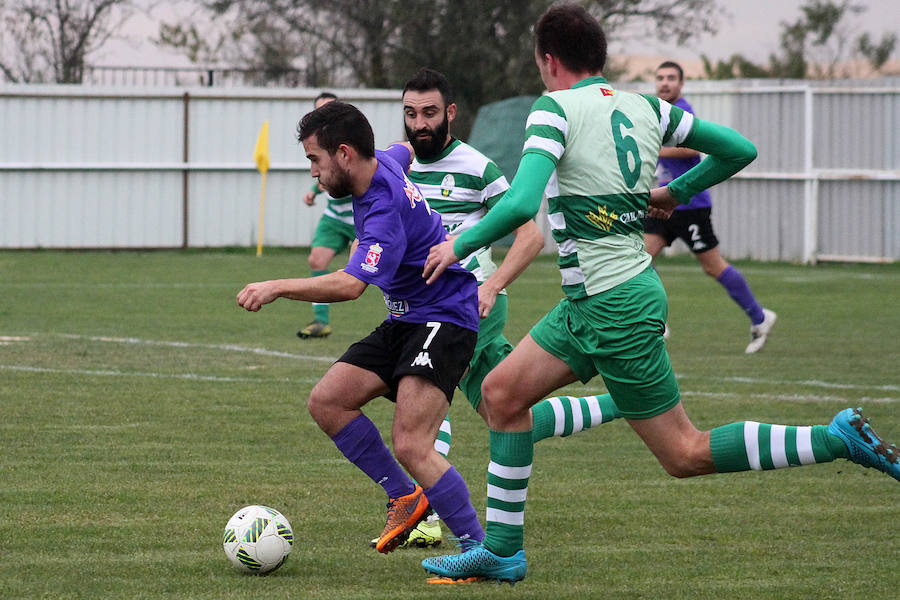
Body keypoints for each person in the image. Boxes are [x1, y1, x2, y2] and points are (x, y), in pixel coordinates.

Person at [420, 4, 899, 584]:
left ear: (548, 61)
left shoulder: (554, 109)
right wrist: (677, 192)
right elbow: (739, 149)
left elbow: (522, 204)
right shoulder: (648, 107)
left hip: (614, 304)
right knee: (500, 395)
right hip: (590, 302)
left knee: (684, 453)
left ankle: (835, 437)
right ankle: (502, 551)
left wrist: (456, 244)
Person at [374, 67, 621, 552]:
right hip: (421, 305)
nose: (419, 124)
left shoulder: (477, 166)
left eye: (428, 113)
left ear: (449, 113)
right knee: (502, 411)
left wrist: (494, 286)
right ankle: (621, 403)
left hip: (469, 304)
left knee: (421, 397)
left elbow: (531, 235)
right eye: (410, 114)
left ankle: (424, 517)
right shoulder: (398, 168)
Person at [237, 100, 486, 555]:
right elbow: (404, 149)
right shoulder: (385, 161)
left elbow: (351, 285)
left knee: (413, 444)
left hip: (444, 317)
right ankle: (405, 498)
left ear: (345, 154)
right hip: (407, 316)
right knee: (328, 402)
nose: (313, 171)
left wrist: (276, 286)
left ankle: (480, 546)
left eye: (315, 159)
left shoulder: (381, 210)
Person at [647, 61, 776, 353]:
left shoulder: (682, 110)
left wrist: (651, 147)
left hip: (690, 205)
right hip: (664, 202)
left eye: (671, 78)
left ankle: (760, 317)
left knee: (712, 266)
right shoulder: (658, 112)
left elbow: (693, 148)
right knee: (640, 257)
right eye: (660, 78)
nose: (665, 83)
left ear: (681, 84)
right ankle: (654, 320)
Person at [297, 92, 355, 339]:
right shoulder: (316, 143)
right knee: (317, 261)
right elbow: (322, 175)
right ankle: (321, 322)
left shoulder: (351, 141)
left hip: (358, 217)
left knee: (373, 273)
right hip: (334, 217)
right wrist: (313, 192)